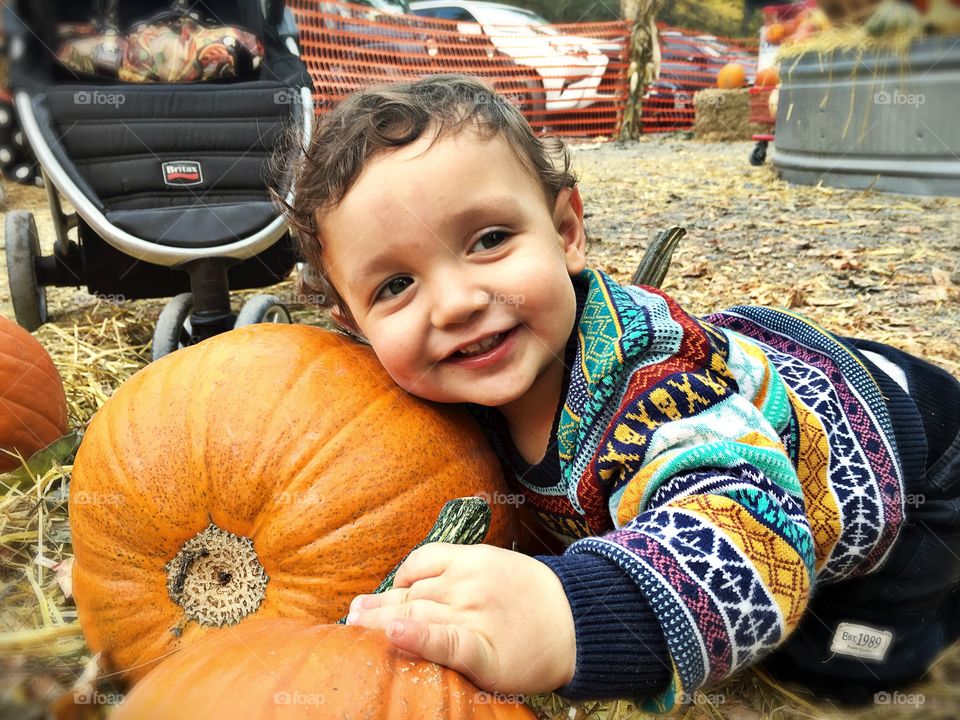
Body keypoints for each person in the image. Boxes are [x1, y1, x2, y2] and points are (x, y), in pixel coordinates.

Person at [278, 74, 960, 712]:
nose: (456, 303)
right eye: (394, 286)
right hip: (786, 394)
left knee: (836, 661)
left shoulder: (657, 392)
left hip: (919, 465)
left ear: (567, 232)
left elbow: (754, 536)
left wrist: (569, 615)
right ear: (353, 324)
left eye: (488, 240)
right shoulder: (443, 394)